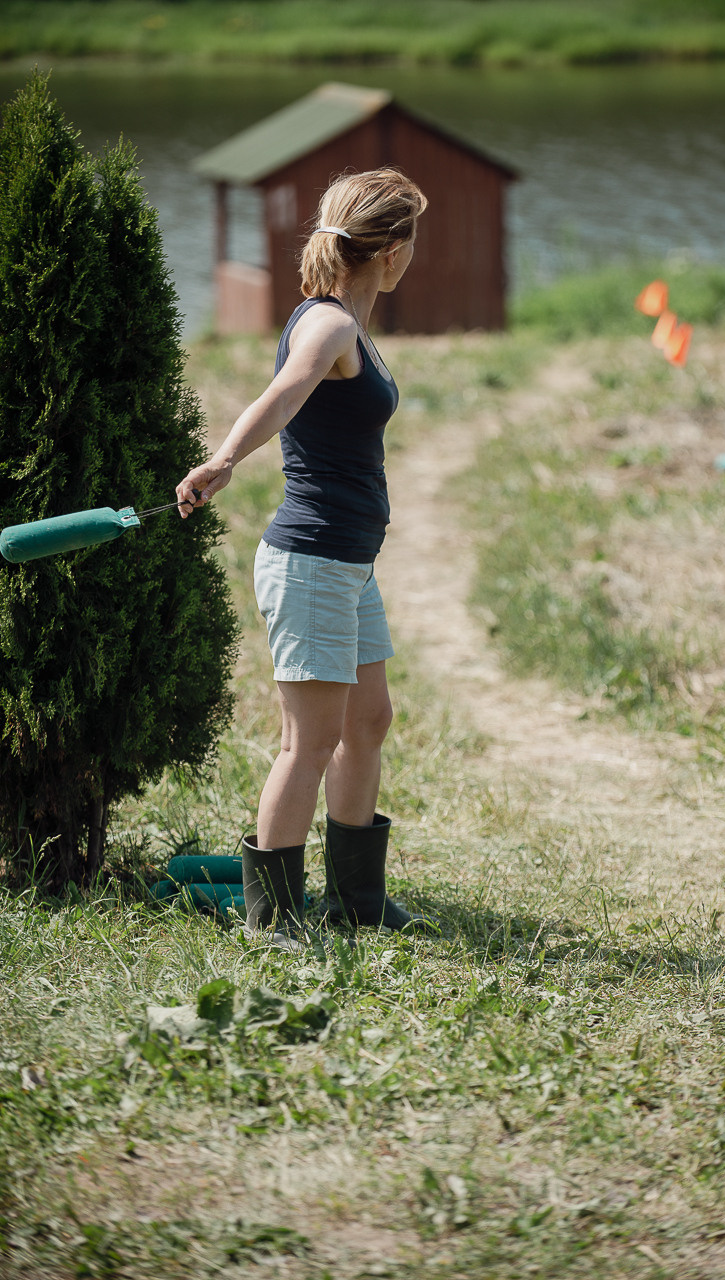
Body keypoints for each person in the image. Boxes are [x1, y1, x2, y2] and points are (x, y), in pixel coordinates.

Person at [176, 168, 429, 951]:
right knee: (309, 742)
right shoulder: (329, 328)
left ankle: (356, 898)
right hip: (313, 561)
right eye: (414, 236)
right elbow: (283, 393)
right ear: (390, 250)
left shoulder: (347, 321)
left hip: (346, 562)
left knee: (369, 721)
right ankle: (274, 919)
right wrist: (222, 461)